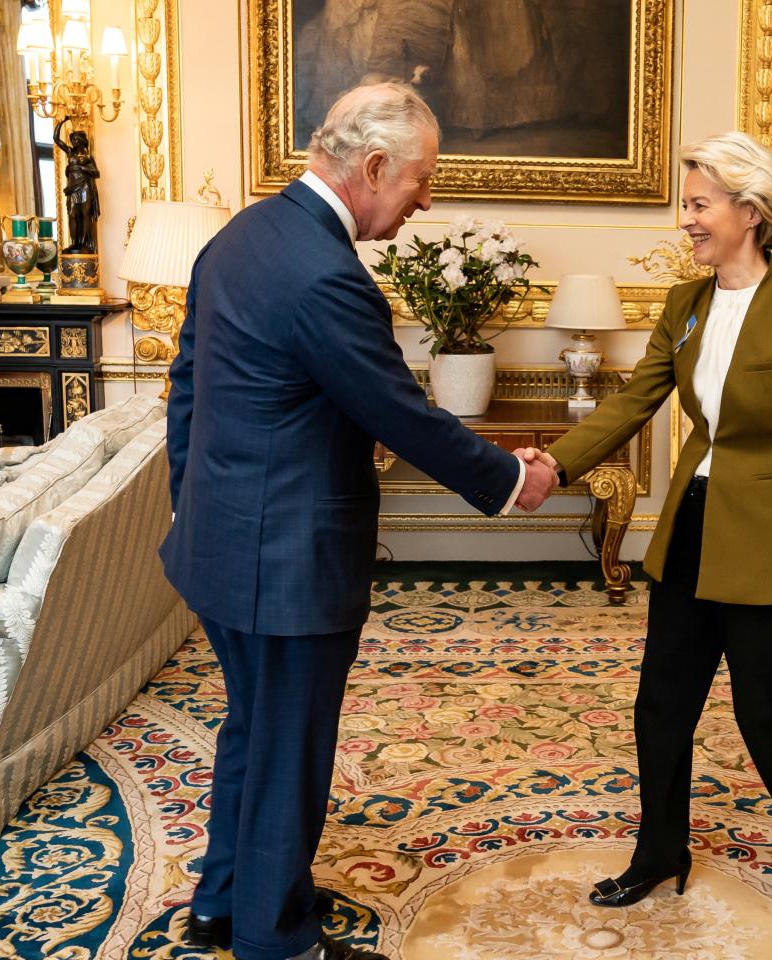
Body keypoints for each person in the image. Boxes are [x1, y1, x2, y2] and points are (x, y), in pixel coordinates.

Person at [160, 82, 557, 960]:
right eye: (422, 177)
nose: (428, 197)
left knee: (252, 729)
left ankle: (223, 904)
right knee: (289, 749)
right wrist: (507, 481)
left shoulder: (244, 235)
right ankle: (277, 940)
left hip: (220, 548)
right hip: (288, 566)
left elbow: (192, 385)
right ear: (374, 167)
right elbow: (401, 414)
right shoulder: (328, 276)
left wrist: (196, 505)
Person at [525, 132, 772, 924]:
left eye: (698, 205)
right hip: (691, 526)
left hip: (767, 538)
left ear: (749, 212)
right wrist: (555, 466)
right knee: (662, 701)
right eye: (685, 205)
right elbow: (632, 400)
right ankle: (661, 850)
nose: (686, 221)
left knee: (765, 711)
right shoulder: (685, 306)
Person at [53, 119, 100, 254]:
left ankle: (84, 243)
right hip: (72, 188)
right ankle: (75, 243)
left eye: (76, 139)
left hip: (84, 187)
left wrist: (80, 168)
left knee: (84, 214)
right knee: (72, 214)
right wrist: (62, 121)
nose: (73, 142)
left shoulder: (87, 157)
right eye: (72, 139)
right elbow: (56, 139)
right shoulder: (70, 153)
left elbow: (96, 173)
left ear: (82, 140)